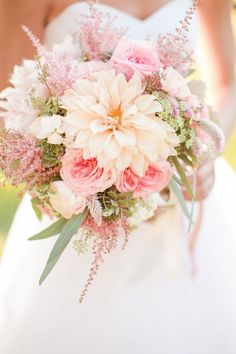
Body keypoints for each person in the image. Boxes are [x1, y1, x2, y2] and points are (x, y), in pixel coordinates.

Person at [0, 1, 236, 354]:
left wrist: (205, 152)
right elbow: (6, 108)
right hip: (79, 216)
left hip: (185, 204)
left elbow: (226, 80)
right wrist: (77, 177)